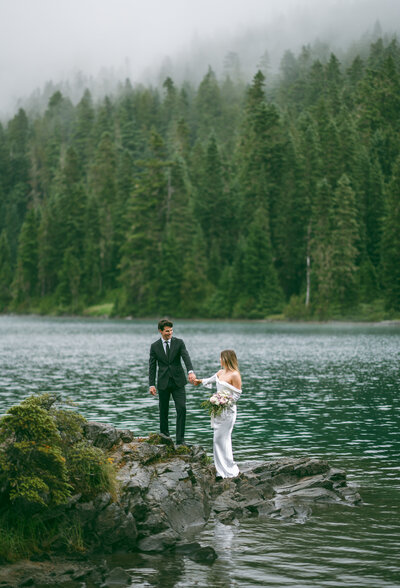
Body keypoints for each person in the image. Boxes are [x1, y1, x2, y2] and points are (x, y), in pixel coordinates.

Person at [195, 349, 241, 479]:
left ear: (227, 359)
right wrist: (199, 381)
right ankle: (221, 469)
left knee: (221, 439)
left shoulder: (235, 375)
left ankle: (227, 470)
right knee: (219, 440)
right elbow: (210, 380)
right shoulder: (220, 372)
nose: (219, 360)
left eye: (221, 358)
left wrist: (224, 401)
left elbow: (237, 394)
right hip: (218, 412)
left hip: (228, 411)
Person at [149, 319, 196, 446]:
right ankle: (165, 439)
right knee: (163, 411)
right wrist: (151, 384)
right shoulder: (154, 346)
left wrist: (190, 371)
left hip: (178, 382)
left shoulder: (179, 343)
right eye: (167, 331)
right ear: (160, 331)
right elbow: (152, 366)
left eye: (171, 330)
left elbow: (186, 357)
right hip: (163, 383)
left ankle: (180, 441)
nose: (169, 333)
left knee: (182, 408)